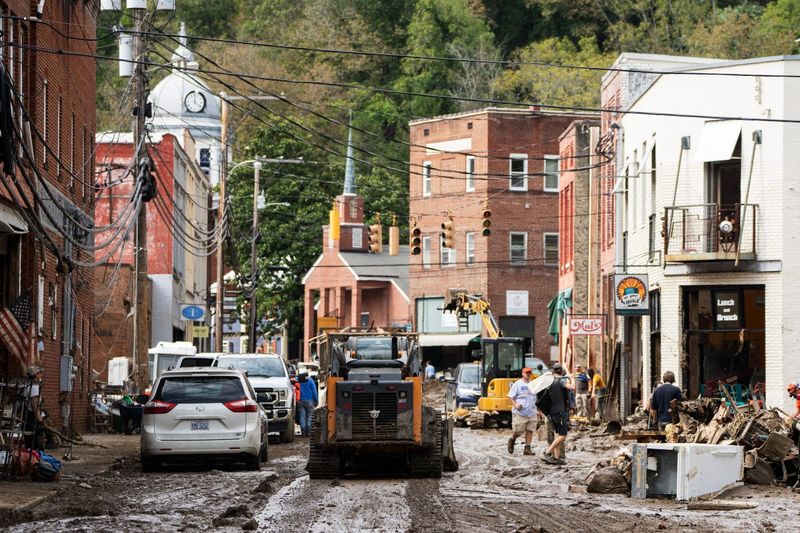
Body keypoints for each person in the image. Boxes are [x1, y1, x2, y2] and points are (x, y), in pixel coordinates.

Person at [542, 363, 573, 465]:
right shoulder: (561, 381)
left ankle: (557, 458)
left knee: (558, 434)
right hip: (560, 412)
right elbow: (572, 387)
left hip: (552, 412)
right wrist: (571, 378)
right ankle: (547, 453)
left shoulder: (550, 382)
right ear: (561, 371)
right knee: (563, 435)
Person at [507, 367, 537, 456]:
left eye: (529, 373)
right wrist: (515, 405)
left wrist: (538, 411)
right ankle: (512, 439)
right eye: (526, 373)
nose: (528, 374)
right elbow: (511, 396)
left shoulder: (533, 385)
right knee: (518, 431)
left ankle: (527, 448)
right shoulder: (517, 384)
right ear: (522, 374)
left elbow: (536, 398)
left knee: (530, 430)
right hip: (520, 412)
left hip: (531, 412)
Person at [24, 365, 44, 450]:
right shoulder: (34, 388)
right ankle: (34, 458)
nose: (40, 375)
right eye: (39, 373)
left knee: (29, 441)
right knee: (34, 440)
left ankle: (30, 457)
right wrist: (40, 420)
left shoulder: (27, 386)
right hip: (32, 417)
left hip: (27, 415)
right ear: (36, 375)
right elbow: (34, 405)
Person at [297, 373, 318, 437]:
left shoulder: (299, 380)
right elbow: (314, 391)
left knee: (302, 417)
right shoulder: (310, 380)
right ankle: (309, 432)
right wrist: (316, 400)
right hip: (310, 401)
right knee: (309, 417)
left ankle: (303, 432)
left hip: (301, 401)